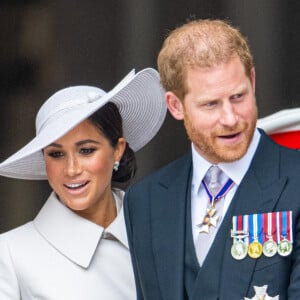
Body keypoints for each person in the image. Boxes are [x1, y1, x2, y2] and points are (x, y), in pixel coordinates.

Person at [124, 19, 300, 299]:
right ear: (176, 105)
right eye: (211, 104)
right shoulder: (144, 202)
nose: (231, 118)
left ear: (252, 81)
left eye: (238, 96)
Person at [0, 68, 166, 299]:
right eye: (56, 154)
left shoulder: (162, 233)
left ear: (118, 150)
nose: (71, 169)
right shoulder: (10, 252)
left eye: (86, 150)